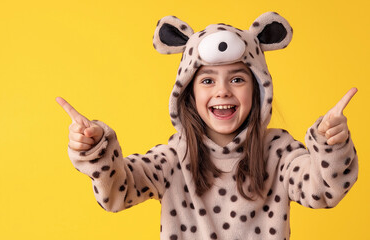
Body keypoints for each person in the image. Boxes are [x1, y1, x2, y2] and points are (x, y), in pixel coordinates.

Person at [57, 12, 358, 240]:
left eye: (238, 79)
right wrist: (96, 149)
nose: (223, 91)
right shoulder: (176, 156)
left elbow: (322, 191)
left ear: (259, 89)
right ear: (188, 91)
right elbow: (118, 193)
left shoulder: (278, 152)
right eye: (208, 80)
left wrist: (330, 144)